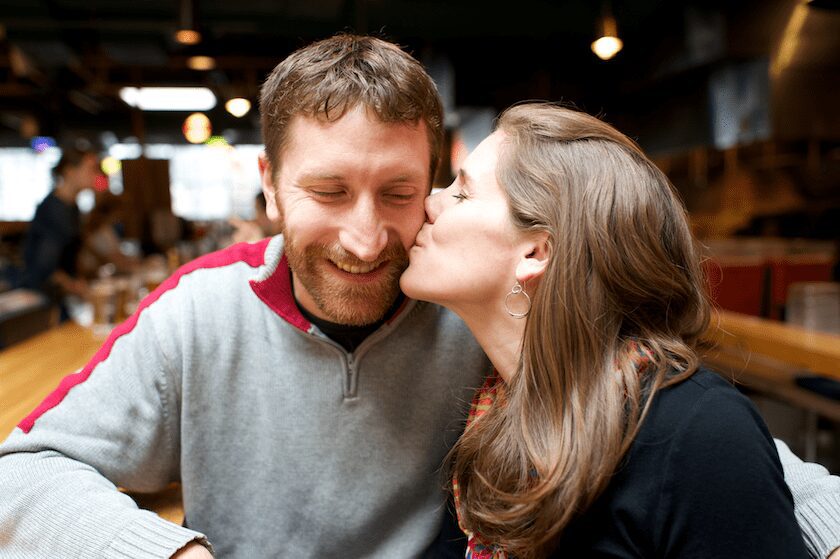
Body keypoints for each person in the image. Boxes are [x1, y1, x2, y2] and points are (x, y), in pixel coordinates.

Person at [0, 35, 837, 559]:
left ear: (433, 181)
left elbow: (731, 463)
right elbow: (21, 472)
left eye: (403, 193)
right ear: (269, 185)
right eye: (328, 192)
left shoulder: (485, 317)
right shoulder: (203, 311)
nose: (367, 240)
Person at [399, 102, 832, 558]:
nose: (430, 202)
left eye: (462, 194)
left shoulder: (696, 432)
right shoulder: (496, 417)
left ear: (537, 251)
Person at [19, 145, 100, 317]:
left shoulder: (73, 207)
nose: (96, 175)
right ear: (70, 171)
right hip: (43, 302)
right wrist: (79, 288)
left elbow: (71, 258)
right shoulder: (53, 209)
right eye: (91, 169)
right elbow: (45, 267)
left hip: (63, 299)